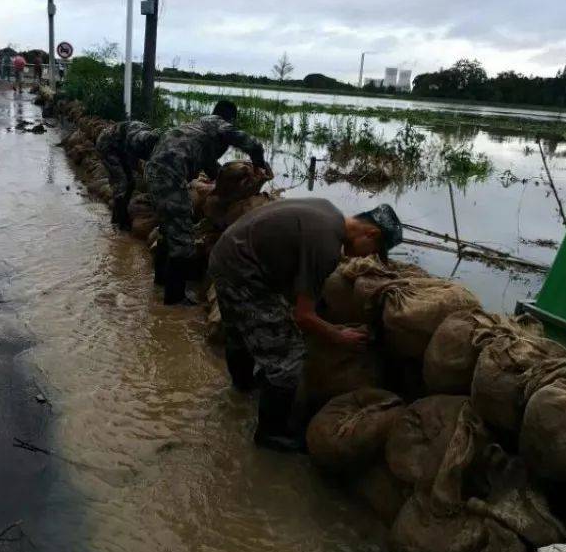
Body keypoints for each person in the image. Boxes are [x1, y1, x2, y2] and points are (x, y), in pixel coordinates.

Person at [208, 199, 403, 452]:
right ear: (371, 233)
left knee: (241, 329)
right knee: (288, 356)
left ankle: (242, 385)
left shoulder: (329, 212)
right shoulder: (326, 246)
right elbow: (303, 316)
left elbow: (296, 274)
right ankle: (271, 433)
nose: (368, 256)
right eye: (374, 250)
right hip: (244, 274)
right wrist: (338, 335)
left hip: (227, 257)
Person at [145, 100, 272, 305]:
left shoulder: (200, 129)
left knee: (169, 230)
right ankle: (174, 299)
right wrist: (258, 166)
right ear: (229, 118)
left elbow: (211, 167)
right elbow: (253, 144)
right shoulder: (219, 124)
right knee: (184, 241)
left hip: (155, 171)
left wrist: (222, 184)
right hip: (170, 175)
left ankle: (161, 281)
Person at [96, 120, 161, 230]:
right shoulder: (136, 139)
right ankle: (119, 222)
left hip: (120, 147)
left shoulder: (149, 136)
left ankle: (119, 215)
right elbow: (137, 165)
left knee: (131, 183)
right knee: (121, 184)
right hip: (107, 146)